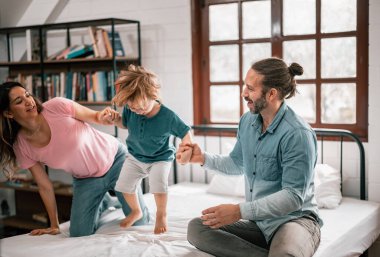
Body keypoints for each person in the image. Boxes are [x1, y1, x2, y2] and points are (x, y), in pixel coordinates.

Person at [180, 57, 322, 257]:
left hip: (294, 220)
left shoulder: (297, 134)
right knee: (197, 228)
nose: (243, 94)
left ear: (272, 94)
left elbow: (293, 197)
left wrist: (239, 211)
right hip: (260, 223)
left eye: (250, 89)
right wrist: (201, 157)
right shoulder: (247, 122)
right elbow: (237, 163)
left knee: (285, 253)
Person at [0, 81, 150, 237]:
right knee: (79, 233)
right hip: (86, 179)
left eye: (27, 95)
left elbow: (95, 116)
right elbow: (44, 185)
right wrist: (54, 224)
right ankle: (106, 201)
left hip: (117, 161)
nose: (28, 101)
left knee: (139, 223)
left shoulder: (56, 106)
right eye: (19, 101)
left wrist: (104, 116)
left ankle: (112, 199)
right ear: (8, 113)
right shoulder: (21, 145)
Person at [106, 64, 193, 234]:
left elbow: (185, 131)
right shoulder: (132, 110)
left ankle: (161, 214)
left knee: (158, 185)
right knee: (122, 186)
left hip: (160, 158)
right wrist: (115, 120)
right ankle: (136, 211)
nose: (136, 111)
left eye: (139, 107)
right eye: (131, 108)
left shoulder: (167, 116)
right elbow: (124, 124)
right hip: (135, 157)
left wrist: (187, 146)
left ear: (152, 95)